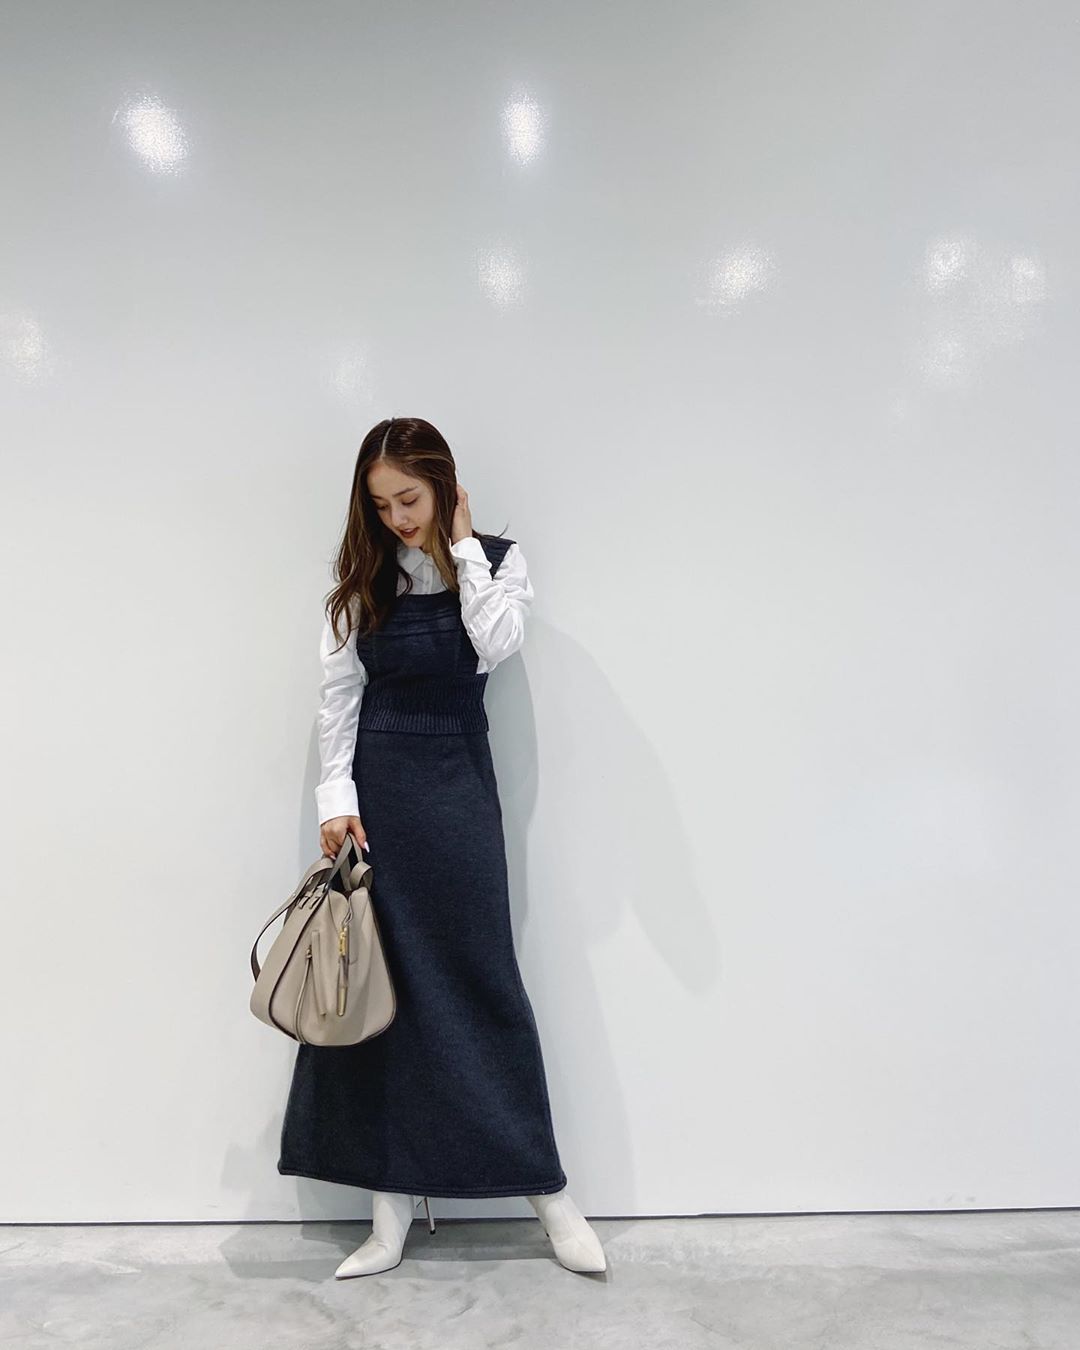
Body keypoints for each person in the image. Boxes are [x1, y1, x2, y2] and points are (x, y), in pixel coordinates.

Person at [277, 416, 607, 1278]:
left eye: (410, 499)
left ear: (444, 486)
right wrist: (335, 801)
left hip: (458, 789)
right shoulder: (359, 583)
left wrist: (459, 545)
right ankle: (388, 1214)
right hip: (379, 799)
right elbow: (338, 698)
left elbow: (497, 644)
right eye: (381, 504)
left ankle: (548, 1193)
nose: (396, 518)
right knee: (382, 995)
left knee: (481, 980)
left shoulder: (495, 562)